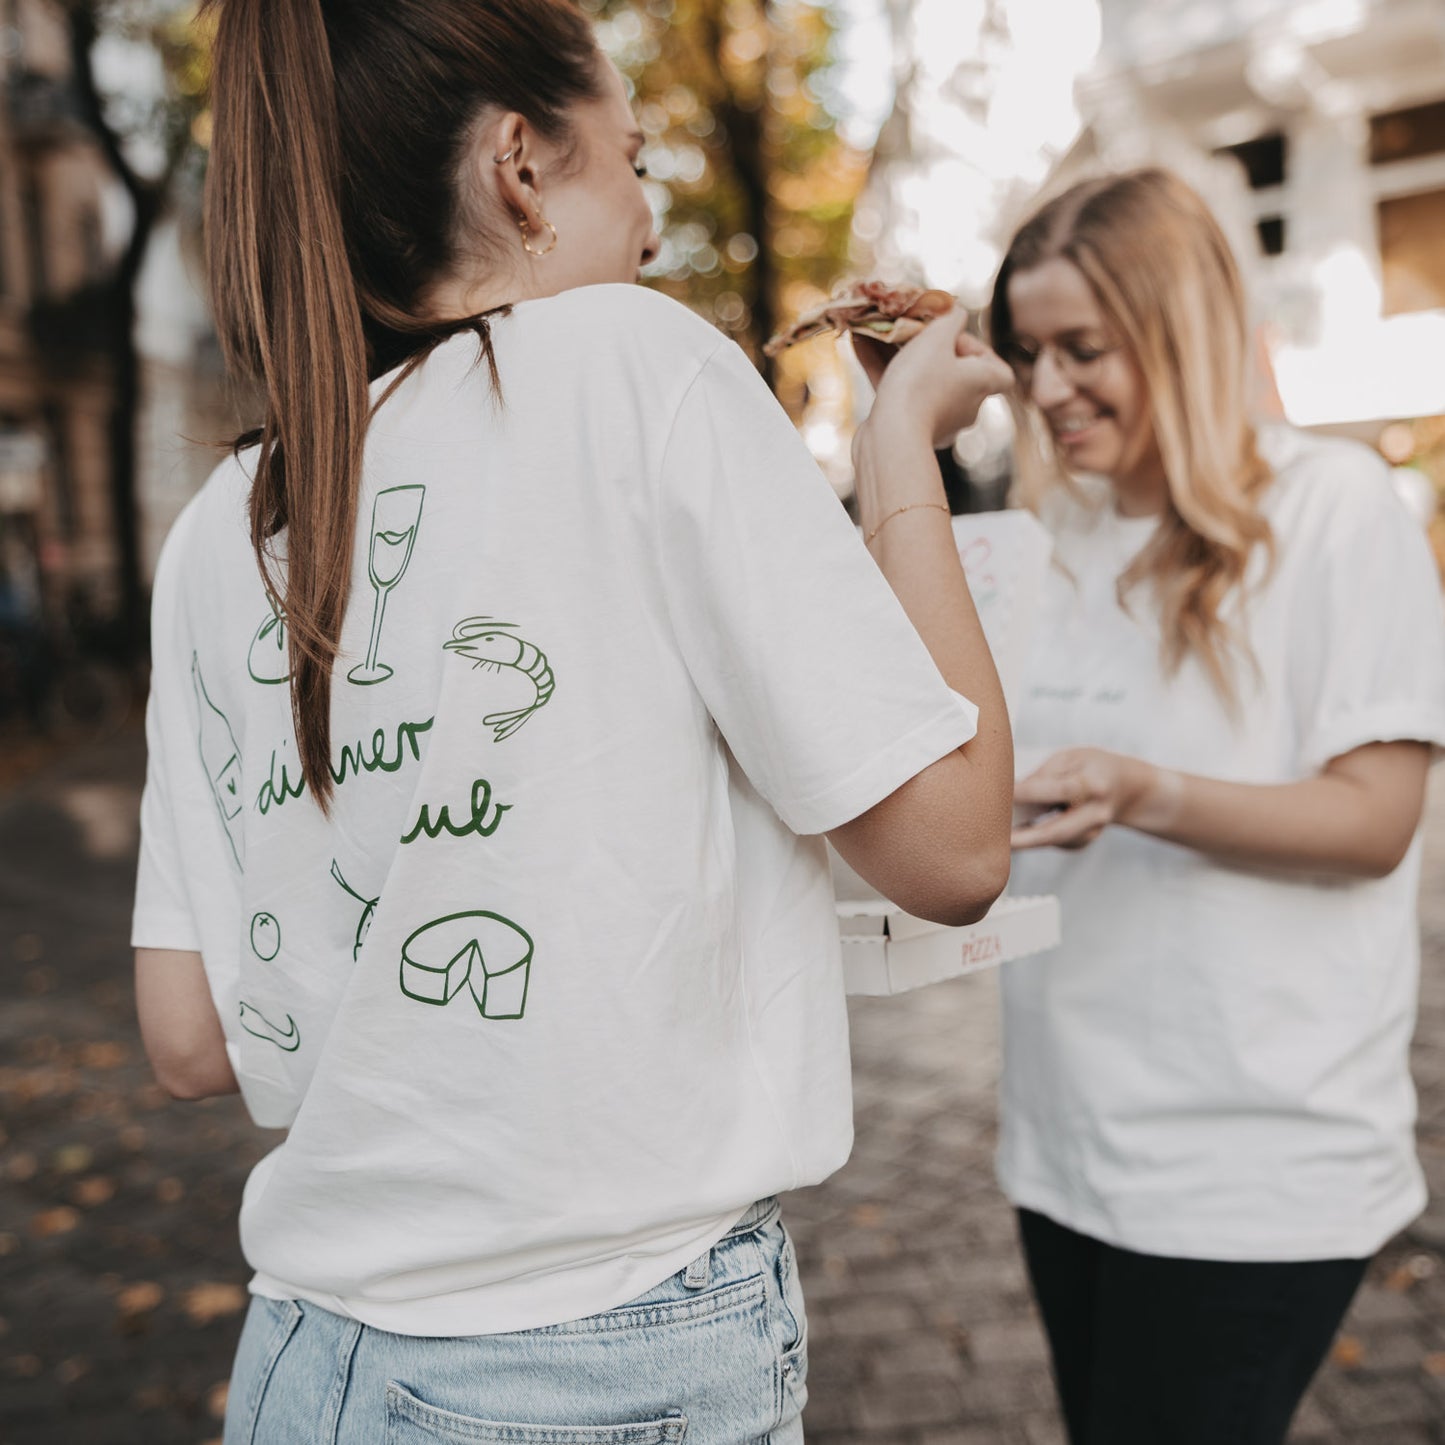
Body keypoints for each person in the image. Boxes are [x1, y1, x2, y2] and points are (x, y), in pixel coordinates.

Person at [130, 2, 1015, 1441]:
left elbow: (183, 1035)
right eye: (638, 159)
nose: (658, 227)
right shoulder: (632, 363)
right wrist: (900, 445)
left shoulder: (223, 526)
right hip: (598, 1362)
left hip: (304, 1363)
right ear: (521, 168)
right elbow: (957, 845)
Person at [987, 167, 1445, 1445]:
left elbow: (1370, 820)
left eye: (1086, 348)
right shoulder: (1052, 529)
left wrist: (1143, 791)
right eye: (1028, 351)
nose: (1047, 386)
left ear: (1179, 332)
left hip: (1252, 1166)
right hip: (1066, 1146)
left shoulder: (1333, 509)